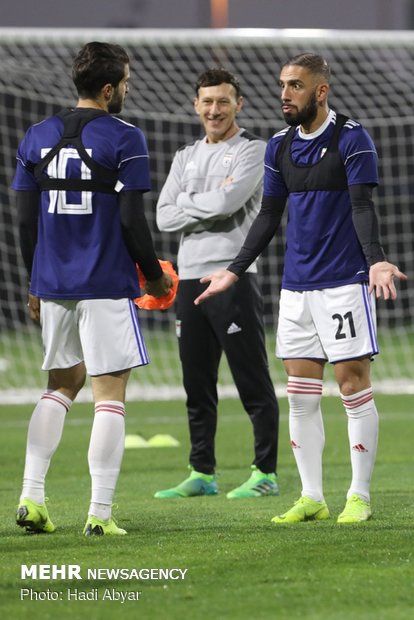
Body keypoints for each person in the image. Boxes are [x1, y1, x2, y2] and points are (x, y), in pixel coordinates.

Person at [194, 53, 407, 523]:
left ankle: (359, 496)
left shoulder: (352, 139)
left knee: (352, 387)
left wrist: (374, 263)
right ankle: (312, 496)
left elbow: (362, 207)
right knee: (301, 393)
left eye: (295, 86)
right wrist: (233, 269)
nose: (285, 94)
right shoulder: (279, 146)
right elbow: (268, 215)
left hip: (344, 285)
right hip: (297, 288)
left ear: (321, 91)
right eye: (282, 84)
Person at [12, 41, 172, 536]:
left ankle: (31, 498)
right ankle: (99, 515)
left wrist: (34, 282)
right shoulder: (125, 137)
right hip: (104, 282)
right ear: (108, 88)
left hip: (54, 282)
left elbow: (23, 218)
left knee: (60, 386)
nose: (127, 88)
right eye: (124, 81)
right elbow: (131, 219)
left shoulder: (36, 136)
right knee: (110, 394)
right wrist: (154, 274)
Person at [155, 68, 280, 499]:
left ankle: (265, 472)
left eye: (223, 101)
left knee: (251, 378)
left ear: (238, 104)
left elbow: (230, 202)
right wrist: (208, 204)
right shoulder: (184, 156)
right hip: (189, 279)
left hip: (233, 276)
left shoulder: (252, 150)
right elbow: (162, 215)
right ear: (196, 105)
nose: (214, 109)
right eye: (207, 102)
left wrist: (191, 203)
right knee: (196, 382)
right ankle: (201, 472)